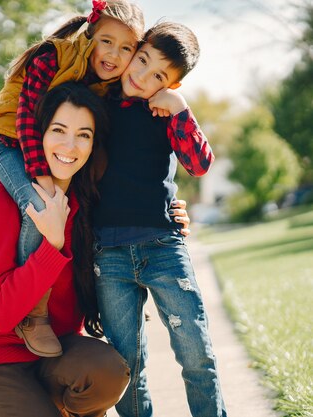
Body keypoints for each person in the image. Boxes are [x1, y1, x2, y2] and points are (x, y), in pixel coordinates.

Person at [0, 82, 131, 417]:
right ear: (37, 135)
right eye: (58, 130)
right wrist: (51, 245)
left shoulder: (88, 205)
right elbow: (2, 313)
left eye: (84, 134)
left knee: (107, 371)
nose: (70, 145)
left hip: (57, 353)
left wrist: (170, 219)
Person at [0, 0, 146, 358]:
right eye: (106, 41)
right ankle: (34, 313)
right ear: (90, 33)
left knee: (67, 205)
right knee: (41, 206)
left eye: (126, 48)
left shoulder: (107, 84)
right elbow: (27, 117)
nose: (114, 55)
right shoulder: (54, 56)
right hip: (4, 142)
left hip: (37, 149)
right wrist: (44, 179)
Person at [92, 22, 227, 417]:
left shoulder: (165, 112)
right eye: (143, 60)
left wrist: (180, 110)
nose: (142, 75)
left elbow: (199, 165)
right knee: (128, 367)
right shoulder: (97, 104)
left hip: (163, 247)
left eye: (158, 77)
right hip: (109, 254)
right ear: (135, 49)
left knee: (196, 354)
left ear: (172, 85)